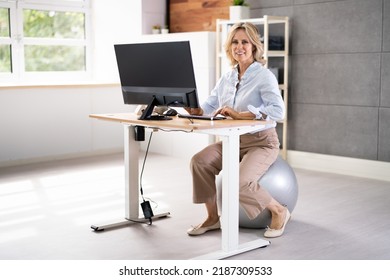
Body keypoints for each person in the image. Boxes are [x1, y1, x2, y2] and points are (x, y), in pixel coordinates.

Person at [186, 22, 290, 238]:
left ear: (254, 46)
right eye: (235, 42)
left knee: (238, 182)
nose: (239, 46)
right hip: (233, 141)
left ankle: (279, 211)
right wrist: (192, 107)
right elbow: (208, 107)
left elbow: (278, 111)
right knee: (200, 162)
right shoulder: (227, 77)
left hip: (261, 142)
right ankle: (213, 218)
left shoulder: (264, 76)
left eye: (245, 42)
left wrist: (241, 115)